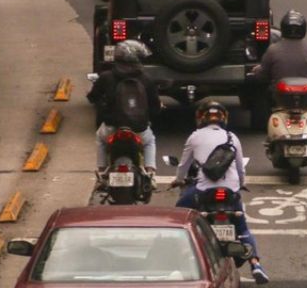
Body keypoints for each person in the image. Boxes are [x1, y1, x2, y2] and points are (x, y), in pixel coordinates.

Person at [172, 101, 269, 284]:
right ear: (224, 118)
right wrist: (240, 184)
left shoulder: (194, 137)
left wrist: (178, 180)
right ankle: (256, 265)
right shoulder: (232, 137)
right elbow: (240, 168)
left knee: (180, 212)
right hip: (230, 191)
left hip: (203, 192)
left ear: (201, 118)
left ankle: (180, 256)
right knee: (242, 227)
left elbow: (183, 166)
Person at [87, 40, 161, 172]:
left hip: (112, 126)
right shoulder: (146, 79)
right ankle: (150, 172)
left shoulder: (106, 77)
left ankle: (102, 169)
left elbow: (92, 97)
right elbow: (155, 106)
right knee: (150, 142)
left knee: (100, 139)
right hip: (139, 128)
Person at [249, 10, 307, 86]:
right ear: (304, 29)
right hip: (306, 99)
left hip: (280, 97)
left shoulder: (272, 50)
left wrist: (257, 71)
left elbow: (262, 77)